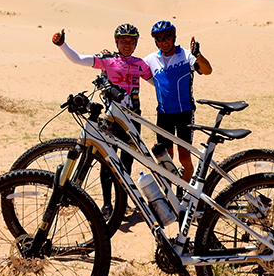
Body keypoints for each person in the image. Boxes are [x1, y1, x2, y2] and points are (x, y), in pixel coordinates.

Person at [52, 24, 152, 218]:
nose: (127, 44)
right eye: (123, 40)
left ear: (136, 43)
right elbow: (78, 59)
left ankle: (121, 204)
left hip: (133, 119)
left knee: (126, 165)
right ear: (116, 41)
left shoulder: (141, 64)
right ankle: (107, 205)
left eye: (132, 41)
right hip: (111, 119)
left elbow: (158, 83)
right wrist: (62, 45)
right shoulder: (107, 60)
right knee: (107, 163)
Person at [144, 20, 212, 182]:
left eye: (167, 37)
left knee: (184, 158)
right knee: (166, 160)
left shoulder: (186, 55)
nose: (164, 41)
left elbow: (207, 70)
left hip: (185, 114)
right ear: (155, 41)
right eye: (159, 38)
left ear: (174, 37)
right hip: (164, 115)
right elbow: (129, 66)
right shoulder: (150, 59)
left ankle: (185, 193)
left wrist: (198, 55)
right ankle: (170, 197)